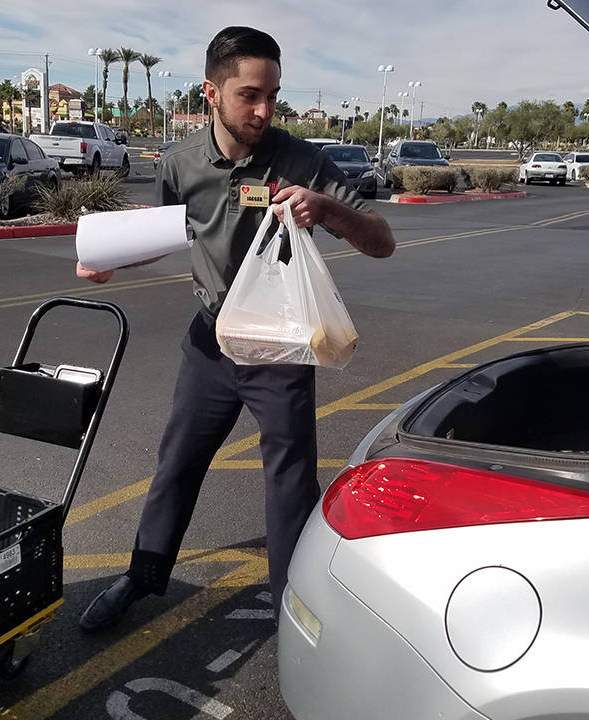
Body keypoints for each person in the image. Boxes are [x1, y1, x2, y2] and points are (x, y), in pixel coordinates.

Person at [76, 25, 395, 632]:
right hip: (210, 343)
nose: (264, 109)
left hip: (280, 345)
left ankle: (289, 608)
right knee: (178, 462)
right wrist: (108, 261)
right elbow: (168, 234)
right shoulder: (179, 164)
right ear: (211, 93)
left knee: (290, 479)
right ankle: (142, 578)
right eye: (250, 95)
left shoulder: (301, 160)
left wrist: (324, 208)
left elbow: (381, 242)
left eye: (273, 95)